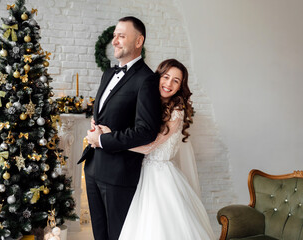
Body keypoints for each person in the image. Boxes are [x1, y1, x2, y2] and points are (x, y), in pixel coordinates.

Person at [98, 59, 215, 240]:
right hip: (140, 172)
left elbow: (149, 147)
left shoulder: (176, 110)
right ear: (158, 77)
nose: (168, 84)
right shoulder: (149, 103)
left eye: (176, 81)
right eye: (166, 77)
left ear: (180, 86)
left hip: (160, 176)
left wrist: (108, 139)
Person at [77, 16, 161, 240]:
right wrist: (95, 127)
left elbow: (146, 130)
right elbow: (106, 115)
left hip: (118, 175)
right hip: (93, 168)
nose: (114, 40)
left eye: (121, 36)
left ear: (138, 41)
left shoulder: (147, 80)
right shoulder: (108, 74)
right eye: (114, 35)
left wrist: (102, 140)